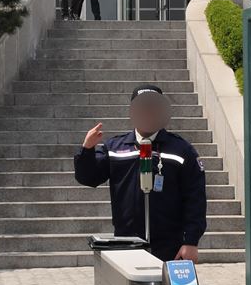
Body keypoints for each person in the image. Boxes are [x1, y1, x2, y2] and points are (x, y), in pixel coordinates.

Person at [74, 84, 207, 262]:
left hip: (170, 247)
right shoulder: (115, 148)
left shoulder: (181, 150)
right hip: (127, 243)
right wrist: (87, 150)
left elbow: (195, 198)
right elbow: (88, 177)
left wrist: (191, 241)